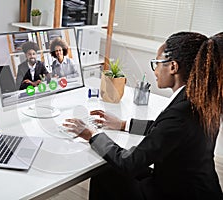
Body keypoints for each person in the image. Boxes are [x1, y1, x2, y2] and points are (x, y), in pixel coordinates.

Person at [63, 32, 223, 200]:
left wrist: (91, 134)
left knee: (105, 172)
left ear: (173, 67)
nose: (154, 71)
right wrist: (123, 124)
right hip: (193, 186)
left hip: (176, 194)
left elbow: (129, 162)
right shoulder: (200, 101)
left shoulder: (180, 114)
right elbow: (164, 130)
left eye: (157, 63)